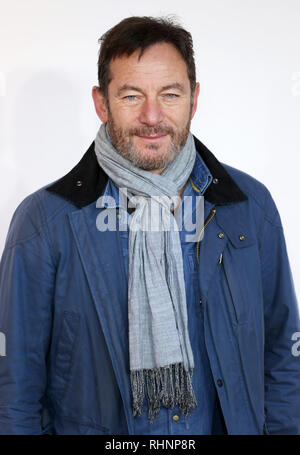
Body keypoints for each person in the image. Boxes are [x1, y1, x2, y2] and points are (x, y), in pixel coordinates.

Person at [0, 15, 299, 436]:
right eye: (131, 96)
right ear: (101, 103)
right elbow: (14, 390)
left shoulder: (249, 208)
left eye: (170, 94)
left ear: (194, 99)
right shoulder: (45, 222)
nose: (152, 115)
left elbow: (284, 359)